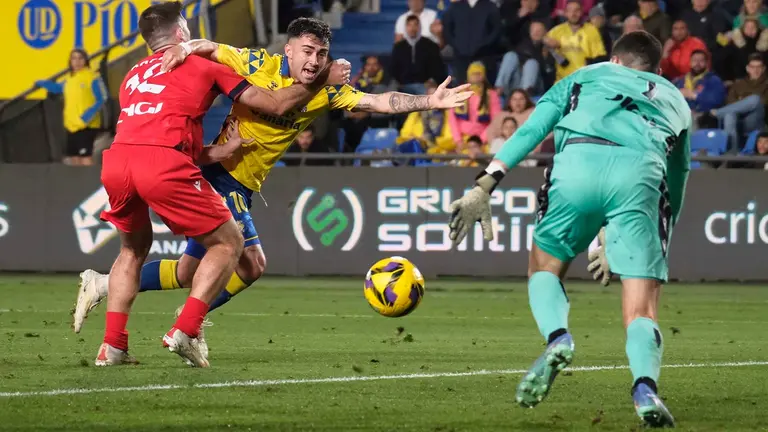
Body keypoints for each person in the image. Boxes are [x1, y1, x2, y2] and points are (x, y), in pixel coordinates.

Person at [73, 17, 472, 362]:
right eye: (307, 51)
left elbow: (380, 100)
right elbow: (211, 47)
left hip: (243, 186)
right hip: (219, 176)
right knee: (250, 263)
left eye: (321, 53)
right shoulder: (258, 63)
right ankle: (187, 327)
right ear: (289, 51)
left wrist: (429, 101)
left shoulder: (328, 90)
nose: (314, 61)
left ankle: (107, 284)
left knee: (187, 270)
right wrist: (185, 48)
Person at [77, 4, 352, 367]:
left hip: (117, 162)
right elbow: (275, 102)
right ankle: (187, 329)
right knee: (229, 243)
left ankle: (112, 346)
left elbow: (159, 130)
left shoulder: (133, 74)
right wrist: (322, 78)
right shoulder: (204, 66)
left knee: (132, 250)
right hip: (162, 164)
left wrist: (222, 149)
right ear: (179, 34)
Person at [448, 31, 690, 428]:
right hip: (641, 177)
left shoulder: (587, 75)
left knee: (543, 267)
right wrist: (655, 235)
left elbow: (530, 130)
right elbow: (677, 177)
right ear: (658, 70)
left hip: (578, 159)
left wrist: (484, 184)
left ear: (614, 60)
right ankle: (644, 386)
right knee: (642, 307)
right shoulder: (675, 99)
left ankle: (558, 336)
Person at [35, 49, 107, 166]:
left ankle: (92, 182)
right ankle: (80, 183)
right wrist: (42, 83)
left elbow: (103, 97)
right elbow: (57, 88)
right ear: (70, 61)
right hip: (72, 124)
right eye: (74, 58)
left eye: (80, 58)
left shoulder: (93, 77)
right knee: (74, 157)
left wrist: (89, 114)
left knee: (85, 157)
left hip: (87, 124)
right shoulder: (69, 79)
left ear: (85, 60)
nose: (77, 61)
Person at [712, 53, 768, 149]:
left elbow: (764, 102)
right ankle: (732, 154)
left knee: (755, 99)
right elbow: (730, 102)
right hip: (738, 119)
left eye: (759, 67)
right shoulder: (739, 84)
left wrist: (743, 100)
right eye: (753, 67)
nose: (756, 70)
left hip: (756, 119)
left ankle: (718, 113)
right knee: (729, 115)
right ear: (747, 68)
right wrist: (745, 104)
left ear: (763, 69)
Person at [545, 0, 608, 82]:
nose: (573, 14)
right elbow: (542, 46)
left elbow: (600, 57)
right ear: (565, 13)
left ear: (582, 11)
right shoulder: (556, 31)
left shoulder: (592, 30)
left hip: (584, 80)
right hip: (561, 81)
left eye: (577, 10)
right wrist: (545, 41)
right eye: (570, 10)